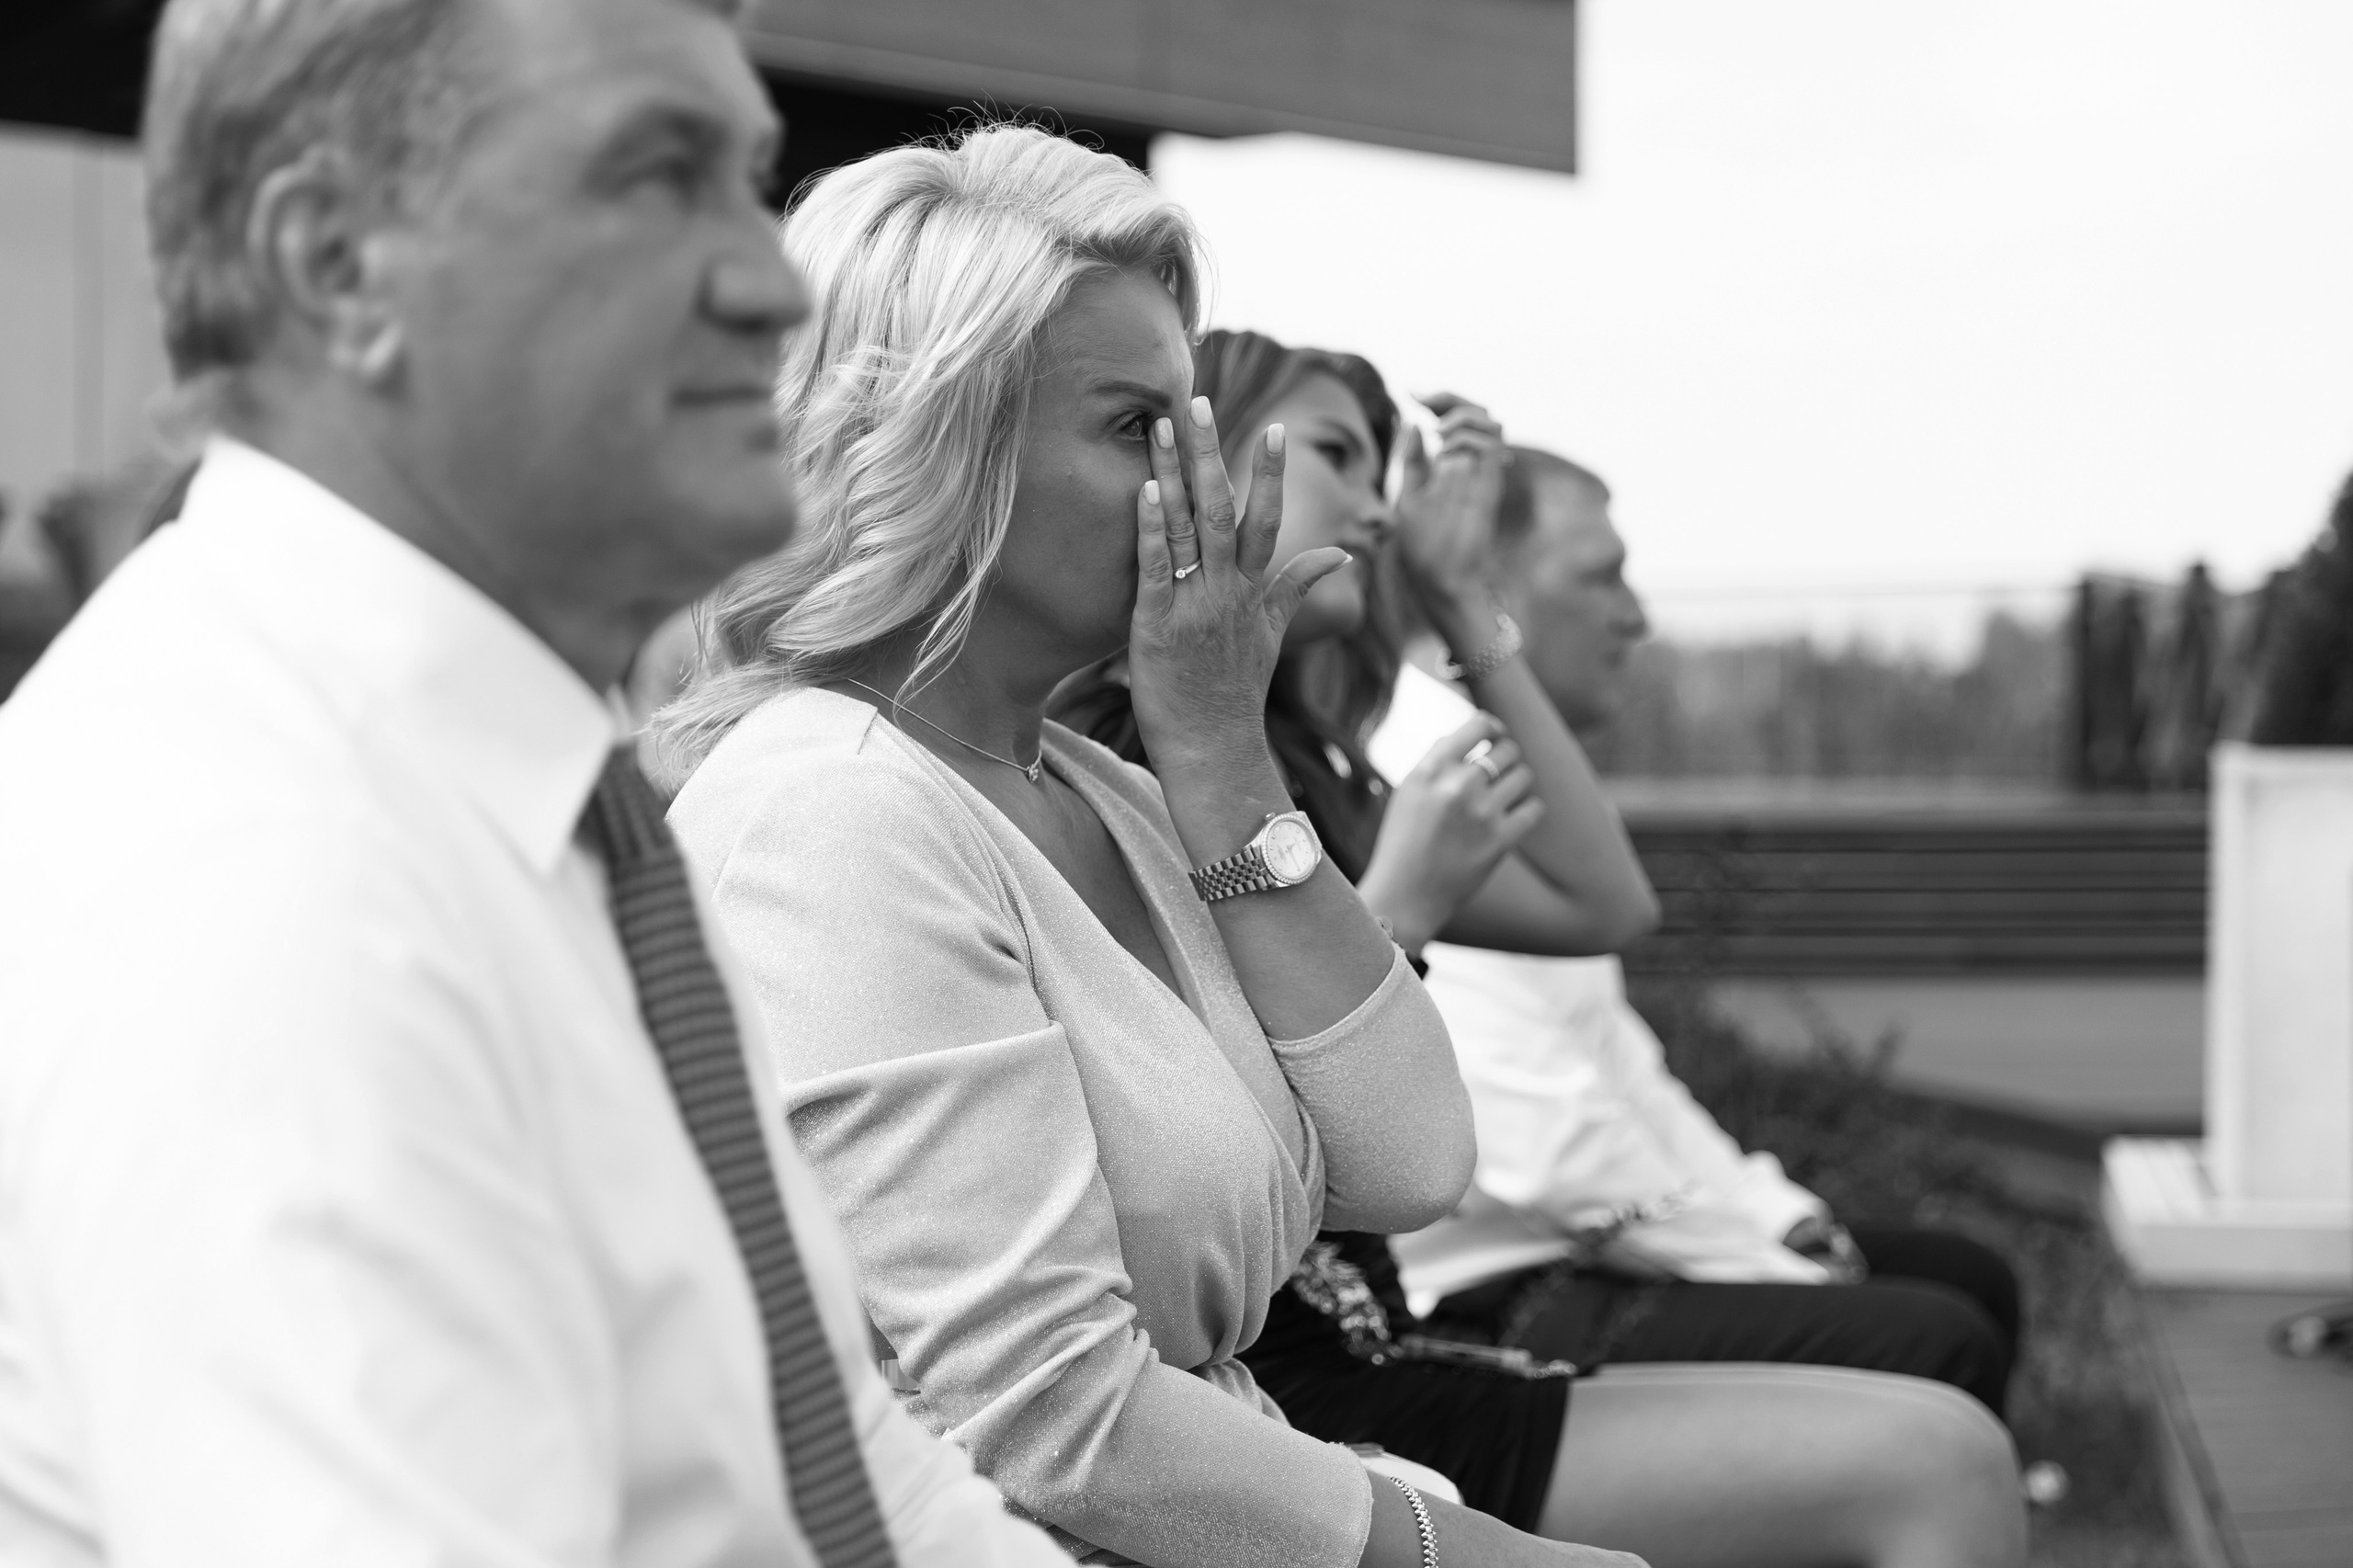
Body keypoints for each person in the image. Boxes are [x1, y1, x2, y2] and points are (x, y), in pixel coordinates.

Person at [0, 2, 1068, 1563]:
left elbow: (846, 1466)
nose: (770, 283)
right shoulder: (264, 870)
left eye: (749, 179)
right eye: (656, 176)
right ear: (336, 265)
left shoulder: (529, 794)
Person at [658, 123, 1643, 1568]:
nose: (1212, 480)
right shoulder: (830, 810)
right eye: (1136, 427)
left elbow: (1411, 1160)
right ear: (944, 443)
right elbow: (1052, 1413)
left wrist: (1224, 760)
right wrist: (1455, 1551)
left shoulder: (1101, 786)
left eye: (1196, 417)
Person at [1054, 327, 2027, 1568]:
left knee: (1943, 1409)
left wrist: (1468, 607)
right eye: (1342, 457)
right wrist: (1392, 904)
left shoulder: (1320, 772)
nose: (1378, 505)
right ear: (1200, 465)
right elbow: (1224, 1165)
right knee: (1939, 1438)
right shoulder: (1139, 770)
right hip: (1283, 1389)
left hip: (1373, 1343)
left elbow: (1601, 903)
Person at [1365, 449, 2025, 1422]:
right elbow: (1554, 1152)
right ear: (1481, 584)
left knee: (1967, 1276)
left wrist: (1779, 1217)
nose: (1635, 616)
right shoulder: (1427, 773)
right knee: (1930, 1334)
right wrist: (1772, 1270)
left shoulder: (1486, 761)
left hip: (1582, 1244)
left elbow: (1624, 1071)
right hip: (1492, 1296)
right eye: (1600, 574)